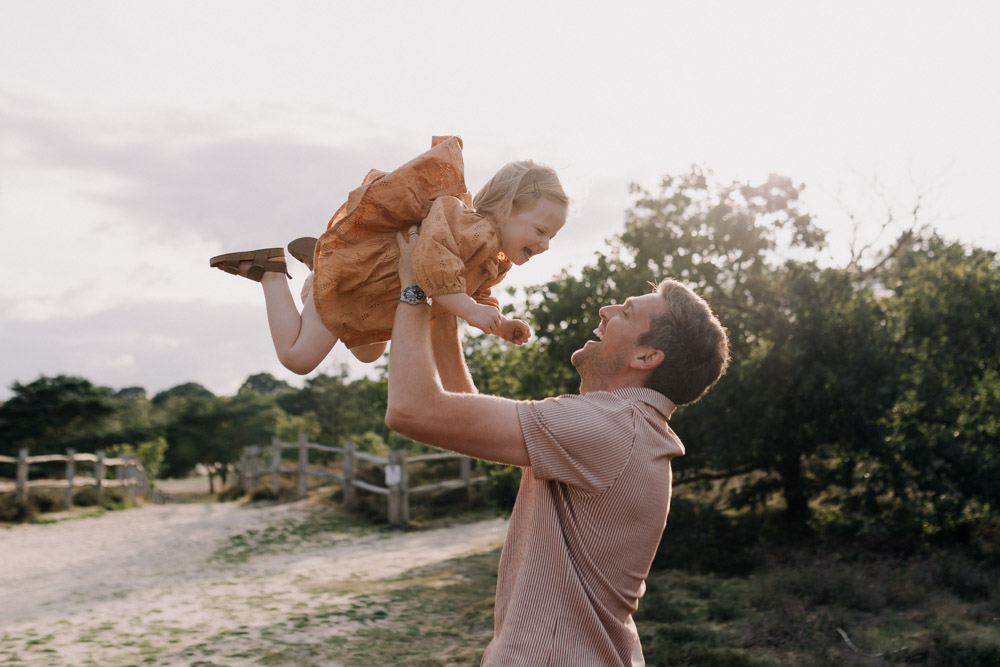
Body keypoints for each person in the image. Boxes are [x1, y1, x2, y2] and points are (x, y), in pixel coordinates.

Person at [385, 225, 730, 666]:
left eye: (625, 312)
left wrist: (413, 289)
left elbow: (411, 409)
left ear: (646, 357)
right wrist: (444, 304)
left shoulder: (610, 426)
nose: (606, 309)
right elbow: (462, 417)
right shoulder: (630, 429)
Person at [209, 136, 568, 373]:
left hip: (378, 301)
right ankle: (272, 272)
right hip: (359, 284)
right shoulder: (466, 226)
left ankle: (320, 274)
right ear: (505, 209)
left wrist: (499, 324)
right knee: (297, 359)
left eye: (551, 236)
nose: (545, 245)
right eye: (540, 231)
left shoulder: (493, 258)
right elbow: (432, 264)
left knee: (369, 353)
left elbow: (477, 293)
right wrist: (472, 312)